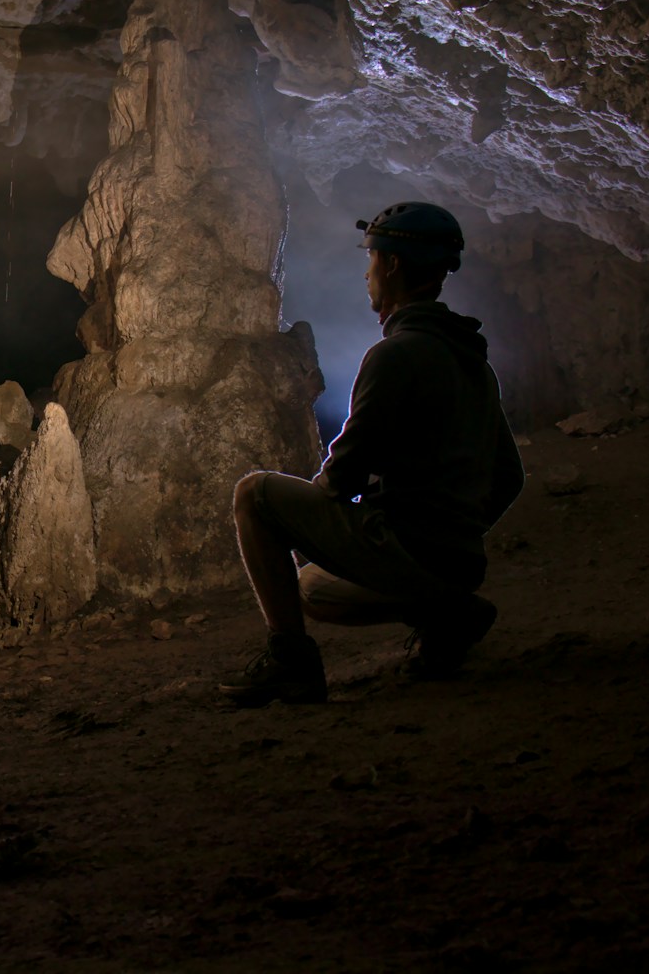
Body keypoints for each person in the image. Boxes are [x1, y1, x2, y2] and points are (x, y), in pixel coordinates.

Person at [220, 201, 525, 707]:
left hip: (408, 548)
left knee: (256, 495)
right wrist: (456, 532)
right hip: (459, 559)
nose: (367, 274)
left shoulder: (395, 356)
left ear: (393, 264)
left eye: (371, 261)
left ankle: (291, 660)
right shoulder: (472, 362)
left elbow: (344, 475)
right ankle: (444, 617)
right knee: (314, 588)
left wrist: (307, 523)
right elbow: (509, 477)